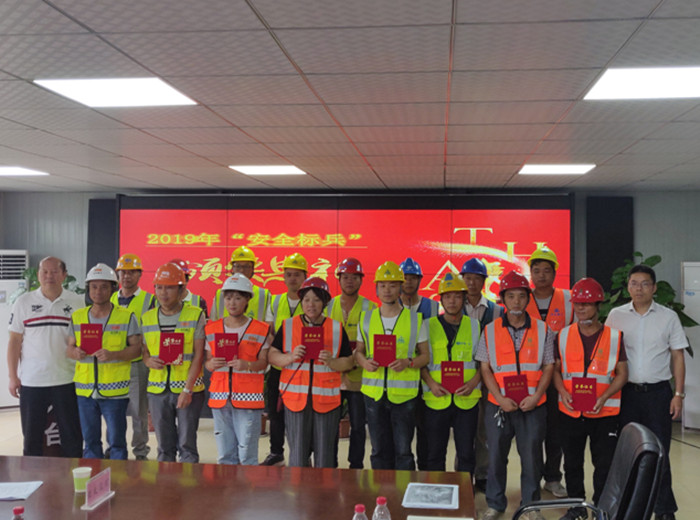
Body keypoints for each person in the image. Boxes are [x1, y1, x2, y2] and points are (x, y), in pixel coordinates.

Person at [606, 265, 688, 520]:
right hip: (626, 395)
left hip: (658, 394)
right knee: (628, 452)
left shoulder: (668, 317)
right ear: (627, 287)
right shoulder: (616, 316)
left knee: (659, 452)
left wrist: (678, 395)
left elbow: (678, 356)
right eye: (634, 283)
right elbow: (605, 352)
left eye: (644, 284)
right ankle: (629, 507)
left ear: (654, 287)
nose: (638, 288)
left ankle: (664, 510)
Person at [476, 270, 555, 520]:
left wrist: (536, 397)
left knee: (532, 457)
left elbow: (549, 366)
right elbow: (485, 368)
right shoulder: (489, 330)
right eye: (511, 296)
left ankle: (531, 506)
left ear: (528, 299)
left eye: (521, 296)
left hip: (533, 404)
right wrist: (500, 398)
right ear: (503, 299)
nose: (516, 301)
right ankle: (495, 504)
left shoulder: (543, 329)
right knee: (495, 456)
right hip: (498, 405)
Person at [553, 278, 628, 520]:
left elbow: (622, 373)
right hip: (571, 411)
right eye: (577, 304)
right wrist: (563, 392)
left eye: (586, 304)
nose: (581, 308)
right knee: (572, 463)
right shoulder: (563, 335)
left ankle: (601, 508)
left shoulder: (614, 337)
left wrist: (604, 397)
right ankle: (576, 507)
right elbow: (555, 370)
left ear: (598, 306)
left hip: (604, 413)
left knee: (604, 464)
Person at [268, 277, 353, 467]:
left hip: (327, 401)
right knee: (298, 457)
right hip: (295, 400)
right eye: (306, 299)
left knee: (325, 458)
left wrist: (332, 362)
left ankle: (324, 487)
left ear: (324, 302)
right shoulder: (289, 326)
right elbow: (272, 356)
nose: (310, 304)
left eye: (316, 300)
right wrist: (290, 357)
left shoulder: (336, 328)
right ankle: (299, 487)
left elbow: (349, 361)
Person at [354, 261, 429, 470]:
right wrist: (364, 362)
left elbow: (425, 356)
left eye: (393, 285)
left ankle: (403, 488)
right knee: (378, 450)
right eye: (383, 285)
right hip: (373, 394)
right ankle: (380, 488)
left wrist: (408, 362)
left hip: (404, 396)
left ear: (400, 288)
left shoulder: (415, 320)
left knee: (403, 451)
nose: (387, 290)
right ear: (377, 288)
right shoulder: (366, 318)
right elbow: (359, 351)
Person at [7, 256, 85, 457]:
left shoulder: (77, 302)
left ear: (64, 275)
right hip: (32, 381)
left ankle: (73, 474)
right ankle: (32, 475)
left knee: (72, 436)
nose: (49, 276)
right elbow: (14, 341)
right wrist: (13, 376)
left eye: (54, 272)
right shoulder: (23, 302)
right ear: (38, 274)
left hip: (68, 379)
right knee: (31, 438)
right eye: (45, 272)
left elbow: (83, 338)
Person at [66, 263, 142, 459]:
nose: (98, 292)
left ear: (113, 288)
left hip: (115, 392)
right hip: (85, 391)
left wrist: (114, 354)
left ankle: (118, 476)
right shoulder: (78, 317)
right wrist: (76, 352)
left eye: (103, 287)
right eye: (94, 287)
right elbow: (69, 348)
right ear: (88, 289)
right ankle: (93, 474)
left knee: (117, 441)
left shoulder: (126, 317)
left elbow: (137, 349)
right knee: (90, 440)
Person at [141, 262, 206, 463]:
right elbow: (144, 351)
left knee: (187, 445)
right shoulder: (147, 318)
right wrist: (148, 361)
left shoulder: (195, 314)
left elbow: (198, 355)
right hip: (157, 390)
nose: (163, 293)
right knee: (163, 447)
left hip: (188, 389)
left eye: (169, 288)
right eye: (159, 287)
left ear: (181, 289)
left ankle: (188, 482)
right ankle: (165, 482)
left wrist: (187, 390)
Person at [204, 273, 271, 465]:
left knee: (247, 453)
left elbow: (264, 362)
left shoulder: (260, 329)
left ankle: (247, 484)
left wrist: (247, 365)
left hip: (249, 397)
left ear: (247, 299)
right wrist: (211, 364)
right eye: (228, 298)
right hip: (220, 396)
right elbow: (207, 361)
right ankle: (226, 483)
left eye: (238, 298)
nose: (232, 303)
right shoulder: (212, 328)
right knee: (225, 454)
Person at [525, 246, 573, 499]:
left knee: (556, 430)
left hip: (559, 376)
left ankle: (553, 478)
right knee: (533, 433)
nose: (541, 275)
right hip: (529, 377)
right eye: (536, 270)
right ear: (530, 273)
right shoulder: (521, 298)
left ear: (555, 273)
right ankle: (531, 478)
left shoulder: (568, 299)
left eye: (546, 270)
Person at [421, 273, 481, 472]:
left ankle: (465, 490)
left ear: (464, 299)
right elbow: (420, 361)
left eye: (457, 296)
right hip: (437, 398)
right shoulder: (427, 326)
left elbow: (483, 363)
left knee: (466, 454)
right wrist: (431, 384)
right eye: (447, 296)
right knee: (435, 453)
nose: (452, 301)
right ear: (441, 300)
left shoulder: (475, 326)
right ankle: (437, 490)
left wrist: (473, 383)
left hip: (467, 399)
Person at [326, 257, 377, 469]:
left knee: (357, 426)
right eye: (345, 277)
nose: (349, 281)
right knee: (330, 425)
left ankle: (355, 466)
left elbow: (373, 341)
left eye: (354, 277)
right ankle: (329, 464)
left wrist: (357, 358)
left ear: (361, 280)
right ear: (339, 279)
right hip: (332, 376)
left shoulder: (370, 307)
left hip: (358, 378)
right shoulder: (328, 305)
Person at [460, 257, 503, 492]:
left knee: (485, 429)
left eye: (477, 278)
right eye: (467, 278)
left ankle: (483, 474)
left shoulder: (497, 311)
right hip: (461, 378)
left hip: (489, 378)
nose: (471, 283)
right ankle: (463, 473)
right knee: (464, 428)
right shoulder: (453, 306)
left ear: (484, 281)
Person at [261, 251, 308, 466]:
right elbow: (269, 331)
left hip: (303, 367)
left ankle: (303, 454)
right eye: (289, 274)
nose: (292, 279)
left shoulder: (311, 300)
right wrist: (281, 354)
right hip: (279, 366)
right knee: (275, 412)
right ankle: (276, 452)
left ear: (305, 276)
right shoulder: (276, 300)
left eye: (297, 274)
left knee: (302, 414)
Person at [111, 253, 155, 460]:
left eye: (131, 272)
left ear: (139, 274)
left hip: (137, 364)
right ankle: (114, 449)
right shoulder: (110, 298)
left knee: (138, 412)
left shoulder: (150, 300)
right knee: (113, 412)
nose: (126, 276)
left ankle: (140, 451)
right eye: (123, 272)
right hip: (112, 365)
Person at [398, 256, 437, 470]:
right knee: (402, 432)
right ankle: (404, 472)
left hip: (427, 376)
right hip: (400, 379)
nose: (409, 282)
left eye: (413, 277)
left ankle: (424, 471)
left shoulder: (433, 306)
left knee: (426, 430)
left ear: (420, 280)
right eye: (405, 277)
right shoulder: (390, 306)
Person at [210, 245, 272, 322]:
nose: (242, 270)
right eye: (238, 266)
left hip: (255, 330)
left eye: (246, 266)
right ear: (232, 269)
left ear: (253, 269)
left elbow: (269, 323)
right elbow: (213, 322)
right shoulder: (220, 294)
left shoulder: (264, 295)